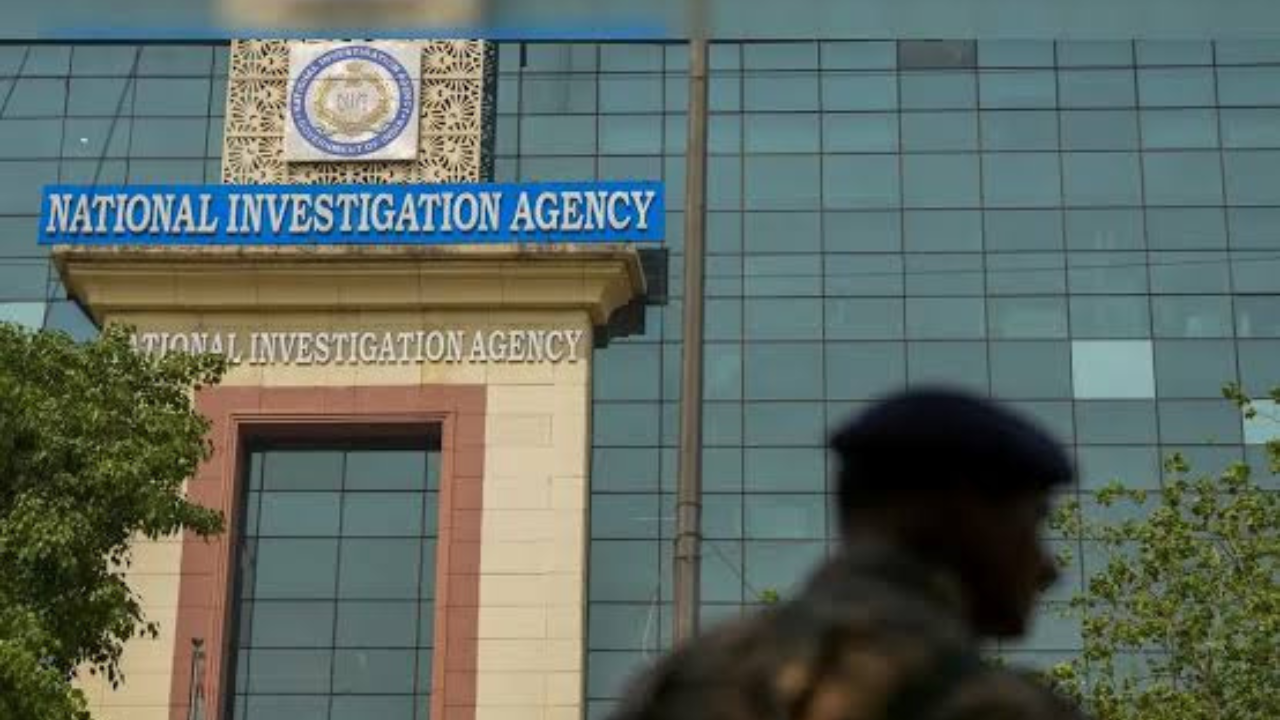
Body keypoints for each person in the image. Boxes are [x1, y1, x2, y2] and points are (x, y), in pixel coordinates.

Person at [609, 387, 1089, 720]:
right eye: (1034, 523)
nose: (1048, 568)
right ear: (964, 512)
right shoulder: (994, 706)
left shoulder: (675, 685)